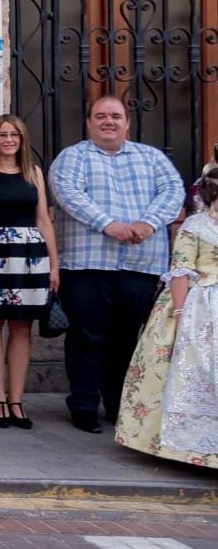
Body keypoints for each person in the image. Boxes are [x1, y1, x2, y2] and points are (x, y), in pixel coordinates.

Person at [51, 96, 184, 433]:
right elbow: (69, 194)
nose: (108, 121)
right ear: (89, 123)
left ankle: (117, 404)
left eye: (115, 116)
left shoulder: (152, 158)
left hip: (140, 266)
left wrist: (148, 224)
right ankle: (83, 405)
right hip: (86, 265)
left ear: (127, 122)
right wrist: (109, 225)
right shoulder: (73, 157)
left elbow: (173, 191)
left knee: (126, 338)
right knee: (86, 337)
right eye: (100, 116)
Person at [115, 160, 218, 469]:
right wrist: (182, 311)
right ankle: (184, 446)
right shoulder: (196, 226)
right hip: (200, 302)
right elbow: (180, 270)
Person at [0, 115, 58, 429]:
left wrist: (53, 265)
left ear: (23, 139)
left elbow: (44, 220)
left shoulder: (34, 173)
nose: (8, 140)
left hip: (30, 257)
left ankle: (17, 399)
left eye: (14, 134)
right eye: (2, 135)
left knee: (22, 328)